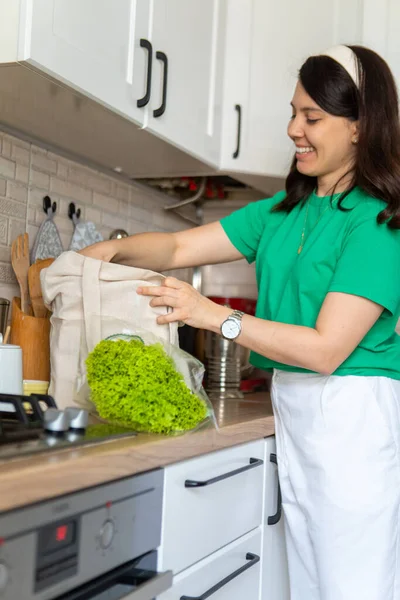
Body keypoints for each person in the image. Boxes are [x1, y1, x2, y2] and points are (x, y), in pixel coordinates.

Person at [81, 45, 400, 600]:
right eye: (293, 112)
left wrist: (213, 316)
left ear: (360, 126)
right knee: (310, 585)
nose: (293, 129)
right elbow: (179, 245)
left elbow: (327, 349)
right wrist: (105, 253)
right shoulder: (286, 210)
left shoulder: (380, 222)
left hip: (354, 416)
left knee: (354, 588)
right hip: (298, 407)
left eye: (312, 117)